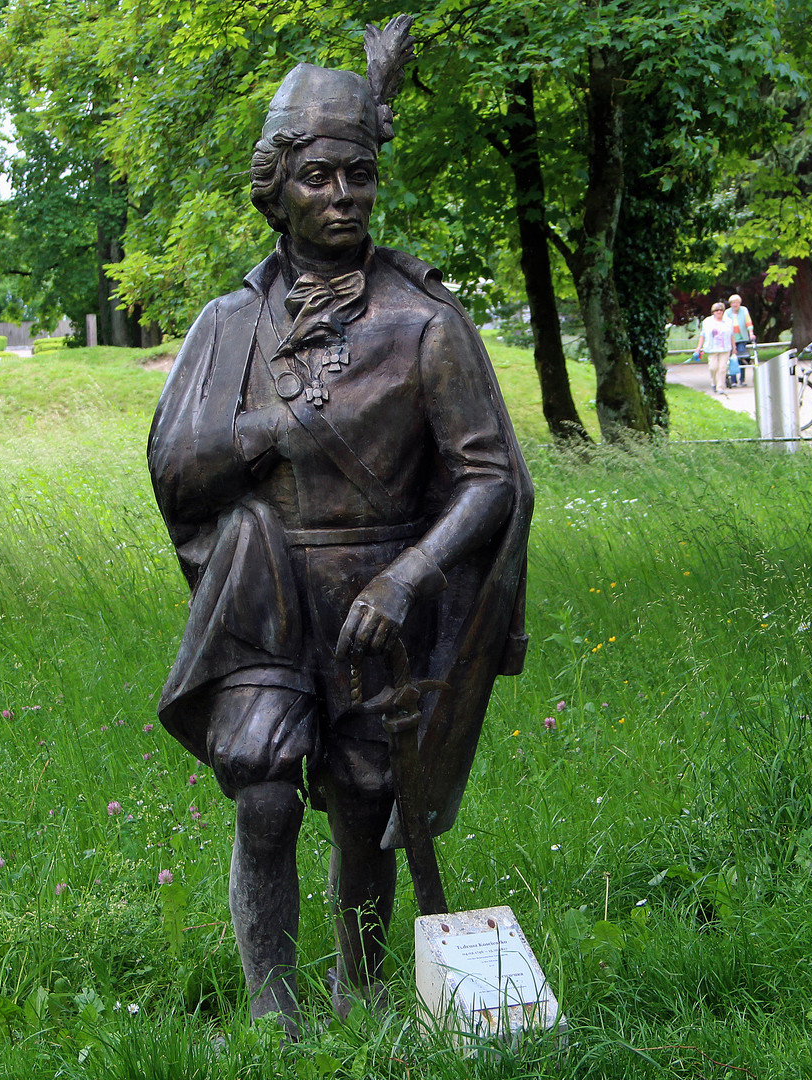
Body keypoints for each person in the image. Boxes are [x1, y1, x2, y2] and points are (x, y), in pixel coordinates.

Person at [147, 21, 532, 1034]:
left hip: (382, 597)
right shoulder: (231, 323)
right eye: (318, 178)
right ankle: (273, 999)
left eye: (358, 177)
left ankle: (357, 992)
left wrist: (412, 577)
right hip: (266, 591)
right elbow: (176, 464)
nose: (343, 197)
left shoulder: (424, 323)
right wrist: (266, 429)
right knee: (266, 792)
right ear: (276, 186)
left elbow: (491, 479)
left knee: (366, 805)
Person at [696, 301, 735, 394]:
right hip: (712, 348)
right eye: (717, 310)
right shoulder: (707, 322)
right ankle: (714, 382)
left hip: (725, 348)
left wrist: (734, 347)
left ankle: (720, 387)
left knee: (722, 368)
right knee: (713, 367)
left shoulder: (728, 321)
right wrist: (698, 347)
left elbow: (731, 335)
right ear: (713, 312)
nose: (719, 312)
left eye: (721, 310)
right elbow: (703, 335)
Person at [725, 293, 756, 388]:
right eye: (733, 303)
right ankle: (733, 380)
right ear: (730, 304)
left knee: (742, 358)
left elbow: (748, 322)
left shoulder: (744, 310)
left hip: (742, 338)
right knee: (732, 359)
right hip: (731, 339)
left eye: (737, 302)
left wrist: (751, 333)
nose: (735, 304)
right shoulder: (727, 313)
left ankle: (742, 379)